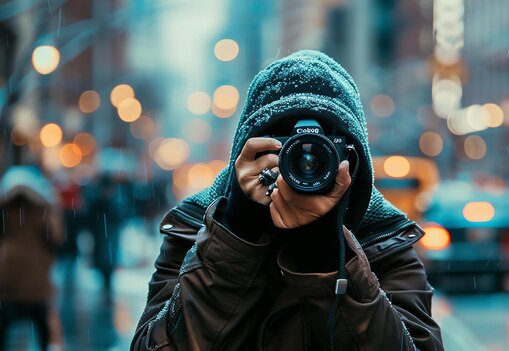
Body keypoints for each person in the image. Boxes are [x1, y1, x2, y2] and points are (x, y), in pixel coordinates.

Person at [131, 50, 444, 350]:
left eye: (324, 151)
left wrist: (326, 256)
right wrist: (237, 229)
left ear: (352, 158)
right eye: (282, 147)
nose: (304, 163)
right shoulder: (194, 228)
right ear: (247, 150)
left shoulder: (385, 239)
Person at [0, 166, 64, 351]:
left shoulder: (4, 208)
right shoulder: (42, 210)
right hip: (36, 273)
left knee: (5, 320)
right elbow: (56, 237)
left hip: (7, 271)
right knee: (40, 321)